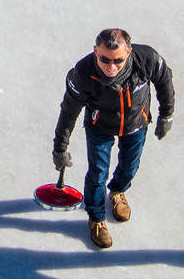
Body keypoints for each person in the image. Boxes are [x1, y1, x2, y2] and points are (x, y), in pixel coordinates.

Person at [52, 27, 175, 251]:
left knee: (130, 166)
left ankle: (118, 190)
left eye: (118, 60)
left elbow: (165, 80)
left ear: (128, 52)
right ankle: (96, 217)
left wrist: (166, 115)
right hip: (100, 128)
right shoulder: (83, 73)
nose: (111, 67)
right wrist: (60, 148)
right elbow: (69, 110)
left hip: (136, 123)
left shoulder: (146, 59)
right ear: (95, 51)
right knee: (98, 173)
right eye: (104, 60)